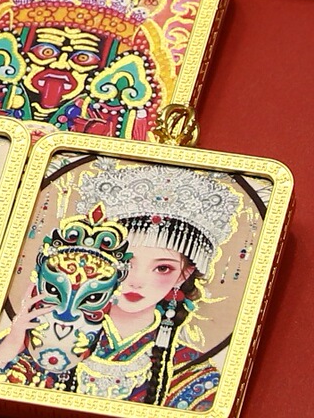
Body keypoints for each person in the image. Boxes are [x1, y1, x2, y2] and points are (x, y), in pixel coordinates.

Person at [73, 163, 243, 409]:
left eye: (162, 268)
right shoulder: (52, 337)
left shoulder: (194, 374)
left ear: (184, 275)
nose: (137, 281)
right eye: (126, 262)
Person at [0, 205, 131, 390]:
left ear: (111, 298)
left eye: (93, 298)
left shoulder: (115, 357)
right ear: (35, 286)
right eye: (53, 290)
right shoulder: (10, 342)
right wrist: (8, 348)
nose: (66, 315)